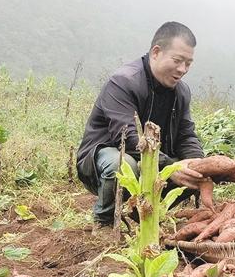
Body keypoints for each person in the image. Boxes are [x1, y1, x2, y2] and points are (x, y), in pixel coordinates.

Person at [76, 21, 206, 226]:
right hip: (105, 159)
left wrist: (199, 164)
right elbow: (129, 139)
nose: (183, 69)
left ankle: (146, 215)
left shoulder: (181, 92)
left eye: (188, 63)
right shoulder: (123, 82)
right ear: (156, 52)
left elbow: (186, 135)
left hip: (154, 162)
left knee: (194, 170)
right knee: (122, 164)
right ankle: (105, 220)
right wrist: (172, 168)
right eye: (177, 60)